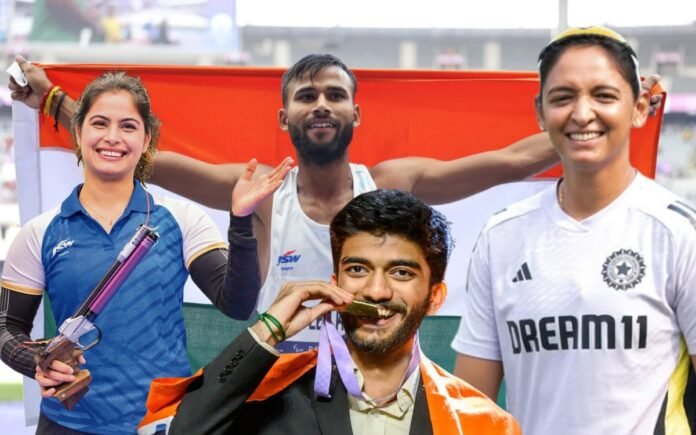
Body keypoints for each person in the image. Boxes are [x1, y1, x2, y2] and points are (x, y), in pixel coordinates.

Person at [10, 54, 559, 352]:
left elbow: (510, 162)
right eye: (306, 97)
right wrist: (57, 101)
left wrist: (605, 116)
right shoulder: (262, 193)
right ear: (283, 118)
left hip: (374, 381)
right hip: (283, 390)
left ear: (356, 114)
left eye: (335, 95)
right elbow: (136, 152)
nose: (321, 106)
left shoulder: (393, 183)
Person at [0, 72, 284, 433]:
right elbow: (6, 327)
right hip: (66, 424)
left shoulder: (181, 219)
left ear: (146, 138)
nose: (113, 137)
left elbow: (238, 305)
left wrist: (241, 221)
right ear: (78, 132)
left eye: (128, 126)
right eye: (99, 123)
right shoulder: (40, 232)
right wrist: (37, 361)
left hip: (160, 424)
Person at [452, 26, 696, 434]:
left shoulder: (677, 232)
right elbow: (471, 406)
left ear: (638, 108)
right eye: (563, 97)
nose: (582, 114)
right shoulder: (502, 237)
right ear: (540, 112)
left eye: (603, 96)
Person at [137, 189, 521, 435]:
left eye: (401, 272)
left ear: (436, 296)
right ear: (334, 283)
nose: (376, 290)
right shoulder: (268, 395)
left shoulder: (481, 423)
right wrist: (266, 331)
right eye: (358, 269)